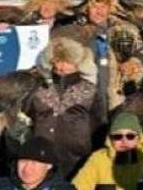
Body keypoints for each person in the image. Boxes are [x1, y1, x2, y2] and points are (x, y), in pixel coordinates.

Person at [24, 37, 99, 178]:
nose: (62, 66)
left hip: (77, 155)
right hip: (41, 153)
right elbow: (27, 114)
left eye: (68, 61)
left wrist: (85, 142)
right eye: (58, 61)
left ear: (77, 64)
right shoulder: (37, 87)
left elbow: (98, 120)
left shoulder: (89, 89)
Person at [71, 111, 143, 190]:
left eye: (130, 136)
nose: (124, 141)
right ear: (110, 139)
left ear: (139, 138)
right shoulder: (99, 159)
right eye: (117, 137)